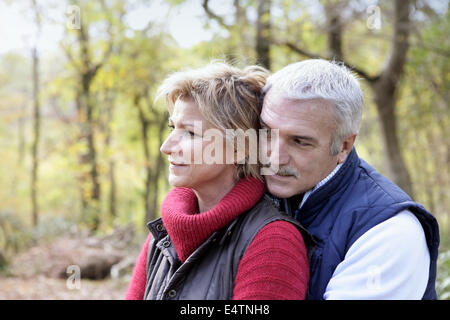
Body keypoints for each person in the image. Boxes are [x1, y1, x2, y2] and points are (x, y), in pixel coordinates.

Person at [125, 62, 311, 300]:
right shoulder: (163, 235)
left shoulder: (274, 242)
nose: (166, 147)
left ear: (239, 147)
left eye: (190, 133)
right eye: (172, 127)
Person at [259, 59, 440, 300]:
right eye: (267, 132)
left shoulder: (390, 232)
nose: (274, 157)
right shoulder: (248, 188)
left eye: (300, 141)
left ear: (344, 146)